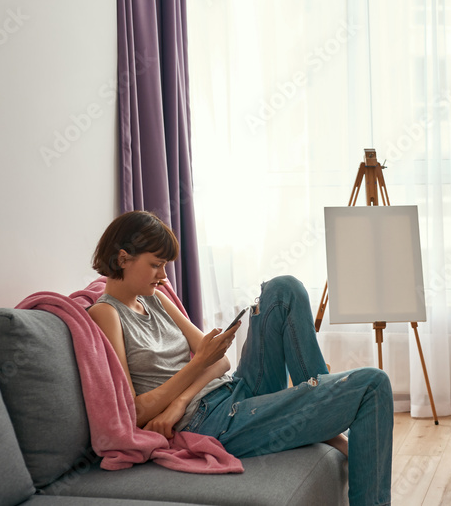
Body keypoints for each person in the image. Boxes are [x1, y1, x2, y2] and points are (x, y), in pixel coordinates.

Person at [87, 210, 392, 505]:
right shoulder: (107, 314)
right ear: (123, 258)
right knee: (372, 384)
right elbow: (132, 412)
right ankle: (318, 414)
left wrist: (180, 400)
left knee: (284, 288)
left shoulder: (156, 300)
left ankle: (317, 406)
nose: (163, 275)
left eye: (164, 265)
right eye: (156, 265)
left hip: (232, 390)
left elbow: (219, 361)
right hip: (211, 422)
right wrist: (196, 365)